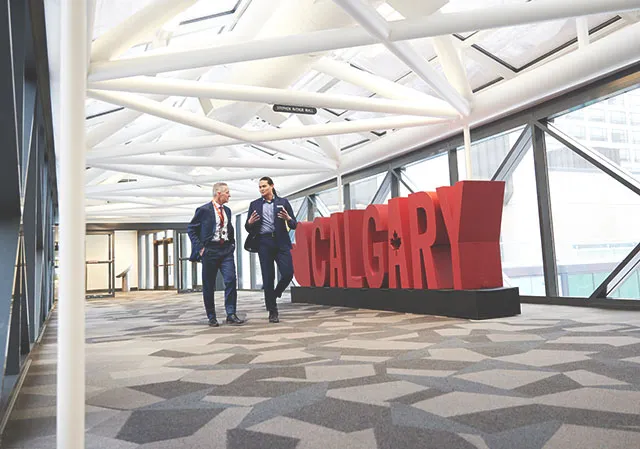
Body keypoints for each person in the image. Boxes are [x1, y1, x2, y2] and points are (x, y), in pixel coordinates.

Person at [187, 182, 245, 327]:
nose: (229, 195)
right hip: (210, 251)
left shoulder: (228, 210)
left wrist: (232, 245)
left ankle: (231, 314)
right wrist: (200, 248)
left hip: (226, 250)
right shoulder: (203, 210)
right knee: (209, 284)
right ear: (218, 193)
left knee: (231, 280)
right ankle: (211, 316)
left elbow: (228, 227)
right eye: (227, 192)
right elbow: (191, 230)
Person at [245, 176, 297, 323]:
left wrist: (288, 218)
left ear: (272, 186)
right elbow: (248, 228)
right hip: (264, 242)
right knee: (268, 277)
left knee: (288, 273)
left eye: (264, 186)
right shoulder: (254, 205)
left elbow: (294, 225)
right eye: (260, 187)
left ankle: (275, 293)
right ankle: (273, 311)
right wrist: (249, 223)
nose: (261, 189)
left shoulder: (283, 202)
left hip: (281, 241)